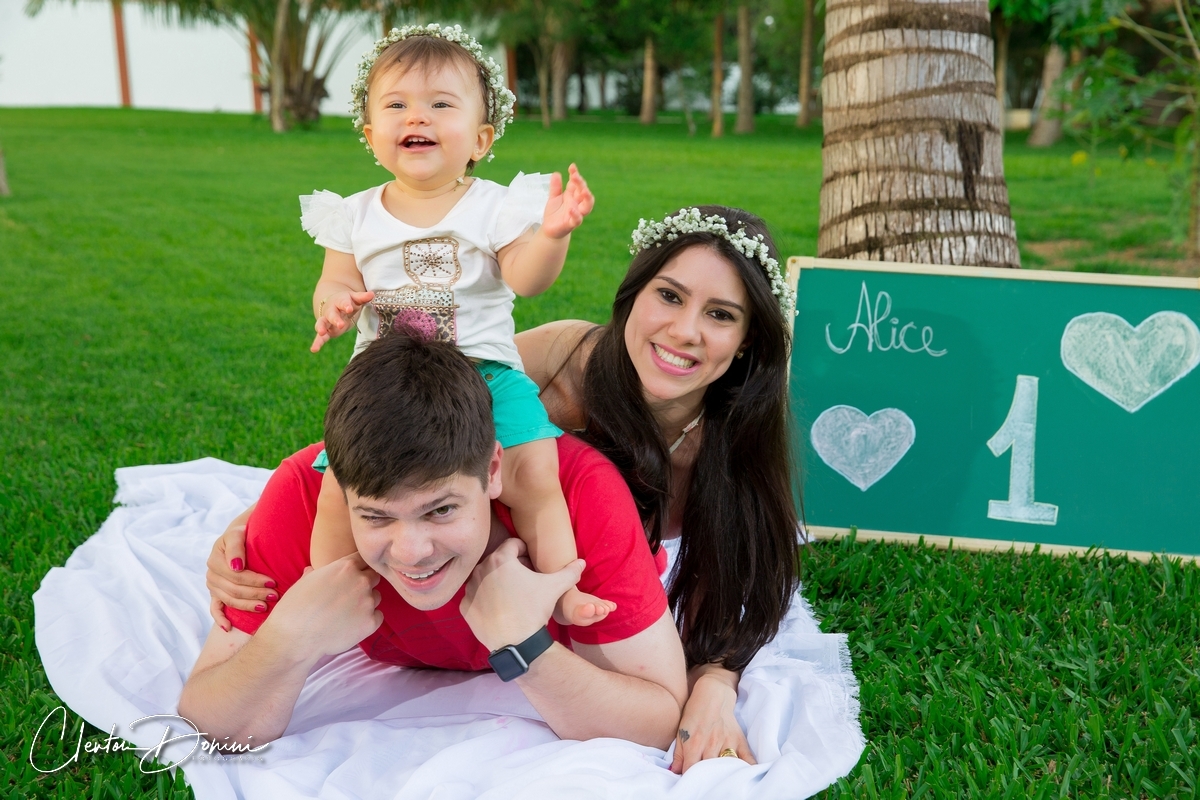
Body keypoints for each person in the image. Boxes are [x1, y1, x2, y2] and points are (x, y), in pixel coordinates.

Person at [207, 205, 801, 773]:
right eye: (669, 296)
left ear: (748, 338)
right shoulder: (559, 362)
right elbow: (410, 415)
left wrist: (715, 687)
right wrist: (259, 519)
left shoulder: (729, 448)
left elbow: (737, 587)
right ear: (632, 298)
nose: (685, 330)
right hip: (523, 546)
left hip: (595, 579)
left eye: (721, 314)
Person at [178, 331, 688, 747]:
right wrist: (292, 636)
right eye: (376, 517)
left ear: (493, 470)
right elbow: (209, 719)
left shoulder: (582, 495)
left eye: (440, 510)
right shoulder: (303, 498)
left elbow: (658, 720)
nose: (412, 553)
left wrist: (524, 646)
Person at [299, 23, 606, 627]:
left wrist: (552, 235)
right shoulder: (354, 214)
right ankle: (326, 589)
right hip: (388, 382)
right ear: (370, 133)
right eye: (397, 105)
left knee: (535, 470)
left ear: (481, 137)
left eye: (442, 104)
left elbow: (525, 278)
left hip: (483, 370)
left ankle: (559, 588)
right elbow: (333, 280)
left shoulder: (493, 205)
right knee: (342, 481)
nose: (419, 116)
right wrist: (333, 305)